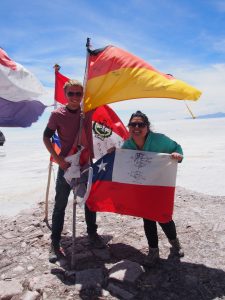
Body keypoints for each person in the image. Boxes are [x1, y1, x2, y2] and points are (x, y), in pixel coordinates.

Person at [43, 79, 105, 263]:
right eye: (71, 93)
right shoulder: (57, 115)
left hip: (85, 163)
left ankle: (92, 234)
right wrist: (58, 159)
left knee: (88, 201)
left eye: (79, 93)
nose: (75, 97)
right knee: (60, 204)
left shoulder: (86, 111)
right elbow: (46, 137)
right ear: (65, 94)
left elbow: (103, 95)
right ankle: (55, 242)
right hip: (67, 165)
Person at [121, 110, 184, 266]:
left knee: (163, 217)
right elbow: (121, 160)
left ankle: (175, 242)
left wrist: (177, 155)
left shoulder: (159, 140)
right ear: (129, 127)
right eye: (133, 124)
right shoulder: (128, 144)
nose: (136, 127)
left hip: (159, 185)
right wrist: (113, 154)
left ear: (147, 127)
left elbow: (177, 148)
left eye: (140, 124)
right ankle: (153, 251)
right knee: (148, 218)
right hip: (141, 188)